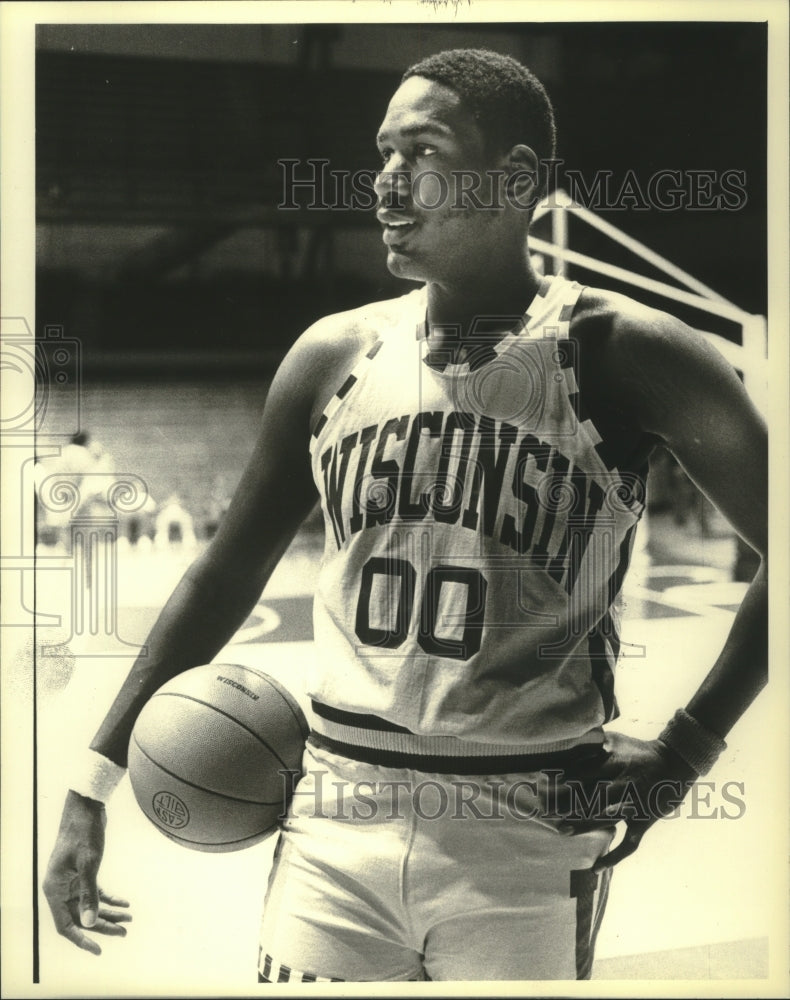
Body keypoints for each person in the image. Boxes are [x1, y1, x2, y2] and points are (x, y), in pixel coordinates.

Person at [43, 49, 767, 981]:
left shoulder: (626, 352)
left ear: (515, 180)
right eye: (380, 153)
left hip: (528, 830)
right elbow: (222, 575)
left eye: (420, 152)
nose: (385, 181)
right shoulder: (331, 355)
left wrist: (689, 749)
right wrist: (91, 782)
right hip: (334, 818)